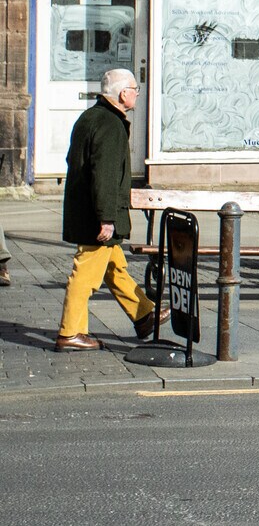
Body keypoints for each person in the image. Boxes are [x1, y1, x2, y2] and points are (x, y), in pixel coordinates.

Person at [55, 69, 154, 351]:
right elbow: (106, 175)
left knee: (115, 267)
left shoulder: (89, 117)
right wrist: (107, 218)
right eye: (135, 88)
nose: (137, 92)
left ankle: (144, 314)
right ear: (124, 94)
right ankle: (70, 332)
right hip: (95, 215)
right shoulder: (111, 125)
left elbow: (72, 159)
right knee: (85, 274)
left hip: (84, 208)